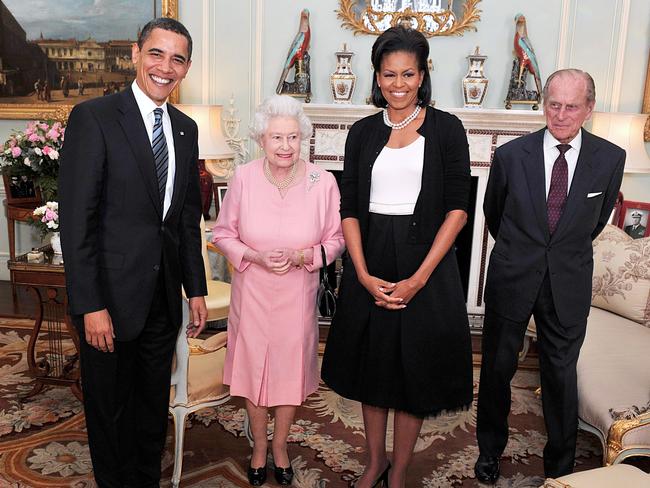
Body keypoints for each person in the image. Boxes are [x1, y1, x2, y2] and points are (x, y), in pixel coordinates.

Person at [321, 26, 473, 488]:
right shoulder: (362, 132)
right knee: (374, 369)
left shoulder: (448, 129)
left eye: (409, 73)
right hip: (372, 260)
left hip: (426, 263)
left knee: (414, 375)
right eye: (389, 74)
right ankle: (375, 462)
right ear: (377, 76)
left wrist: (420, 279)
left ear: (423, 74)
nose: (399, 83)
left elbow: (458, 209)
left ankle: (401, 468)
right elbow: (349, 207)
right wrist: (362, 275)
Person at [59, 17, 207, 487]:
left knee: (149, 413)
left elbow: (183, 220)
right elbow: (76, 223)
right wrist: (90, 305)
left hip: (163, 301)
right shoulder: (95, 118)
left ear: (186, 68)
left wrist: (196, 289)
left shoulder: (185, 129)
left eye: (177, 59)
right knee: (110, 412)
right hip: (109, 302)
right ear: (136, 56)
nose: (166, 67)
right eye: (156, 54)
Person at [474, 69, 626, 483]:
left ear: (589, 109)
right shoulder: (510, 155)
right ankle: (489, 451)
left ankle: (559, 466)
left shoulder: (611, 159)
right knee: (497, 369)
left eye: (571, 106)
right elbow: (495, 215)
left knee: (561, 376)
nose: (560, 115)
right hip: (512, 276)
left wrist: (557, 252)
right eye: (553, 104)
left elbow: (594, 223)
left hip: (568, 281)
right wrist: (525, 251)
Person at [212, 94, 344, 487]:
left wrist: (306, 255)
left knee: (289, 372)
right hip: (252, 290)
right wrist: (253, 254)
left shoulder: (324, 182)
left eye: (292, 138)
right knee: (253, 370)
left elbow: (336, 240)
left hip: (297, 295)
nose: (285, 147)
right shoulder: (244, 177)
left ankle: (281, 446)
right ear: (261, 140)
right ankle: (257, 449)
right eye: (276, 138)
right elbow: (222, 234)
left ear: (302, 138)